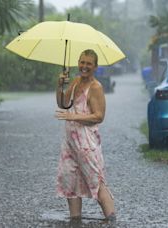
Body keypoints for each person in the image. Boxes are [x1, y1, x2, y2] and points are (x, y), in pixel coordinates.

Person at [54, 49, 116, 222]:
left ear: (95, 67)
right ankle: (75, 221)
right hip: (69, 143)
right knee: (69, 180)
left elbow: (99, 116)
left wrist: (75, 117)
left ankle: (112, 220)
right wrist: (60, 85)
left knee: (96, 181)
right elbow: (63, 103)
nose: (84, 66)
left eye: (89, 63)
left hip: (87, 142)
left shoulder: (96, 87)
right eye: (82, 62)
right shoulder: (75, 82)